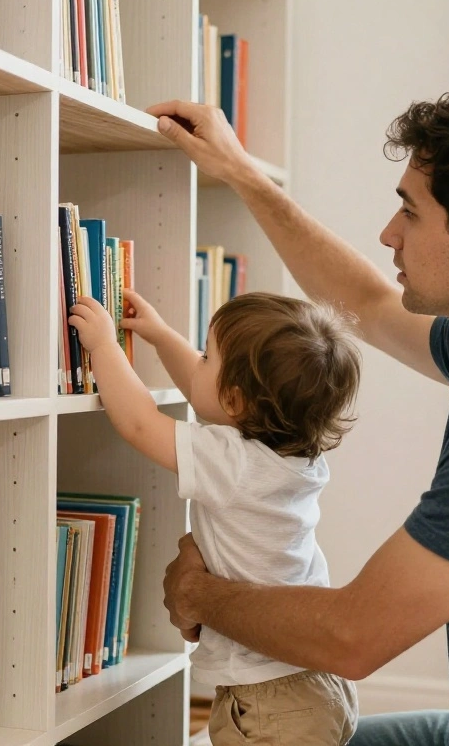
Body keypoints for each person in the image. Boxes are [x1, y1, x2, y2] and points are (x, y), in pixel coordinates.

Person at [145, 90, 449, 746]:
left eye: (410, 211)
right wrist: (241, 171)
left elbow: (352, 638)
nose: (389, 232)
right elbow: (368, 304)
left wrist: (200, 595)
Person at [66, 287, 363, 745]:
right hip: (316, 682)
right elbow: (209, 395)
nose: (198, 362)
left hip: (269, 699)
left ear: (238, 400)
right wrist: (162, 337)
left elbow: (141, 423)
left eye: (206, 356)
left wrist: (104, 345)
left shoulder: (231, 461)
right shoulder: (293, 459)